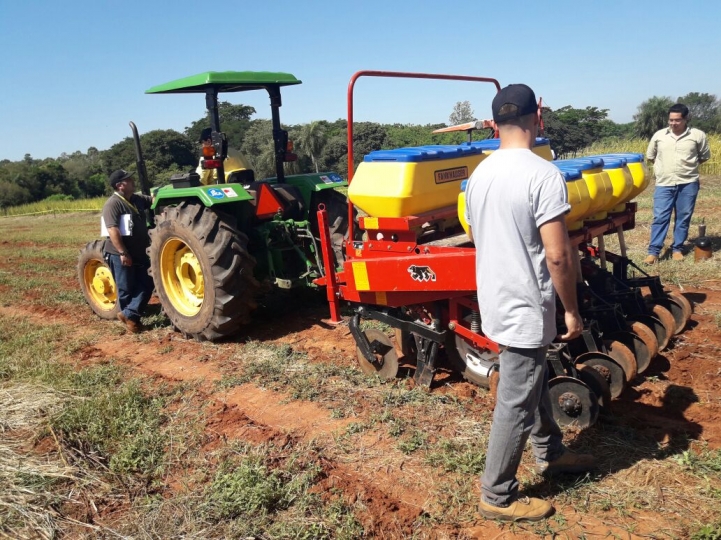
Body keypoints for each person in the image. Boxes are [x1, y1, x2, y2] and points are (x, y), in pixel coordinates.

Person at [464, 84, 596, 522]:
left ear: (495, 122)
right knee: (516, 401)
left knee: (531, 380)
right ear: (535, 116)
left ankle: (551, 453)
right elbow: (558, 255)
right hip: (525, 303)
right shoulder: (543, 174)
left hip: (496, 300)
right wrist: (571, 309)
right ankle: (496, 495)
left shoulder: (479, 174)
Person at [644, 103, 711, 264]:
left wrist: (686, 168)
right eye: (671, 120)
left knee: (683, 217)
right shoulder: (660, 136)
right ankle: (654, 252)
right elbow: (651, 156)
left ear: (686, 119)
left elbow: (703, 156)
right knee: (660, 217)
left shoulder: (697, 136)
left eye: (677, 120)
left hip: (688, 183)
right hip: (664, 183)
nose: (673, 123)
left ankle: (677, 248)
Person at [102, 169, 154, 333]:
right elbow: (112, 230)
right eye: (128, 180)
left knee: (148, 281)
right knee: (126, 287)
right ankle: (132, 322)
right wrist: (123, 253)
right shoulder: (113, 204)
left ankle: (129, 314)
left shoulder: (136, 198)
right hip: (120, 253)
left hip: (139, 251)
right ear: (120, 185)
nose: (132, 181)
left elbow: (154, 200)